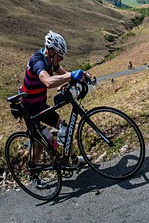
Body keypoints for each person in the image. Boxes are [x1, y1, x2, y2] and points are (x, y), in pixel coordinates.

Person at [21, 31, 90, 186]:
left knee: (64, 126)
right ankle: (33, 175)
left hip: (40, 105)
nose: (62, 58)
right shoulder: (38, 62)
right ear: (51, 51)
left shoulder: (52, 61)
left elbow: (64, 74)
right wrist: (72, 75)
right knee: (39, 141)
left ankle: (73, 160)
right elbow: (49, 82)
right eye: (60, 55)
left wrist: (81, 76)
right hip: (28, 108)